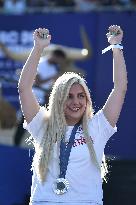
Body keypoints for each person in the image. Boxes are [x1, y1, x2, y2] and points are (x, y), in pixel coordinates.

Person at [19, 25, 127, 205]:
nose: (75, 102)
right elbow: (24, 89)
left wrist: (116, 47)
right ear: (57, 99)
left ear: (87, 100)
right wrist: (38, 48)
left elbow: (120, 89)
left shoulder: (98, 127)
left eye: (80, 96)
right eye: (68, 96)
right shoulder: (43, 125)